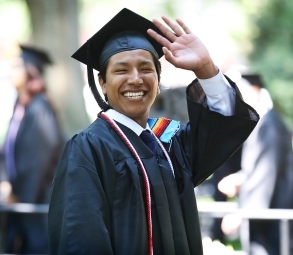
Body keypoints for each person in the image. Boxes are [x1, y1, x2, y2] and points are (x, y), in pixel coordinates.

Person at [48, 8, 259, 255]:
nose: (136, 79)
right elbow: (81, 240)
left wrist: (205, 69)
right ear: (103, 83)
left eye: (146, 69)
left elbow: (223, 129)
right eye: (121, 70)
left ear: (158, 82)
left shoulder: (169, 141)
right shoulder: (88, 148)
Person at [0, 45, 65, 254]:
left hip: (37, 204)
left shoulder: (40, 109)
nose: (11, 71)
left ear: (31, 71)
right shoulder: (20, 108)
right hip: (20, 200)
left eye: (17, 66)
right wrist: (5, 183)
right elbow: (6, 152)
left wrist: (20, 197)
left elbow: (39, 162)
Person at [218, 74, 293, 255]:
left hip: (272, 219)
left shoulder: (268, 124)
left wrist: (243, 213)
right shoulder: (267, 121)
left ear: (253, 90)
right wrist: (241, 178)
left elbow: (266, 174)